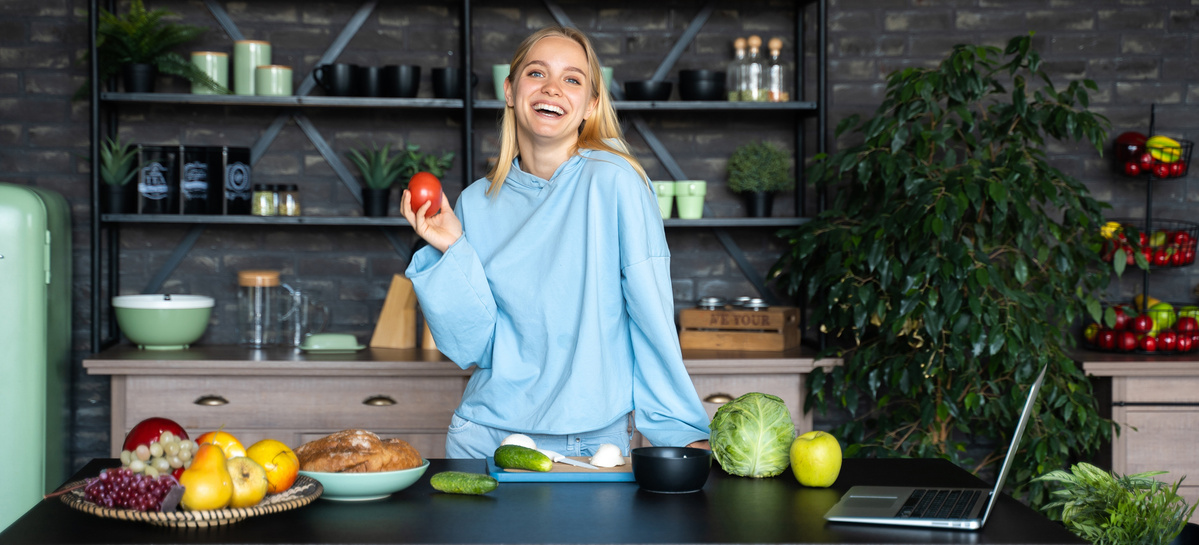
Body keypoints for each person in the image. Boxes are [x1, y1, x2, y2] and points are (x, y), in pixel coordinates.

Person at [400, 25, 710, 459]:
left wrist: (678, 430)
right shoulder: (474, 202)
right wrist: (452, 251)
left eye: (572, 79)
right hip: (484, 435)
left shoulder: (615, 181)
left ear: (591, 104)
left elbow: (651, 317)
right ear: (510, 91)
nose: (552, 88)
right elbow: (473, 348)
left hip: (588, 440)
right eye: (536, 73)